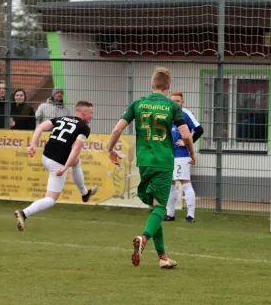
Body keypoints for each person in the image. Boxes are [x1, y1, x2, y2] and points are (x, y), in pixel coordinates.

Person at [106, 66, 196, 269]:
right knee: (160, 208)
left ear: (151, 84)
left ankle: (163, 258)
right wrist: (191, 153)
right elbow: (187, 135)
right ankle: (144, 239)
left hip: (144, 161)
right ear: (169, 86)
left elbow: (117, 128)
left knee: (155, 208)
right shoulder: (173, 106)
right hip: (163, 161)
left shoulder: (138, 103)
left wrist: (110, 148)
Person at [13, 101, 97, 231]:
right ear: (84, 112)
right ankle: (24, 213)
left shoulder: (62, 118)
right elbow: (76, 149)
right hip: (57, 162)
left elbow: (40, 126)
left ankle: (84, 193)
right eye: (91, 113)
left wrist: (33, 145)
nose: (92, 116)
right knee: (51, 200)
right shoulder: (84, 127)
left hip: (46, 156)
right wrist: (64, 167)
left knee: (76, 162)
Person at [164, 90, 204, 223]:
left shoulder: (186, 114)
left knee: (185, 183)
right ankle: (170, 214)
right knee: (170, 184)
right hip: (168, 155)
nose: (174, 103)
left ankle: (190, 216)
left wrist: (188, 142)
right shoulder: (167, 114)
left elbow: (199, 129)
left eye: (177, 101)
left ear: (182, 102)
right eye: (172, 101)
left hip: (182, 156)